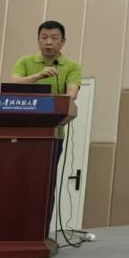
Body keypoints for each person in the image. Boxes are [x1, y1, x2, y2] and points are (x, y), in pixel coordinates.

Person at [7, 20, 83, 233]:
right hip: (20, 134)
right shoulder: (25, 62)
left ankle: (39, 232)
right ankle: (13, 229)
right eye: (44, 37)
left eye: (54, 38)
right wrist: (39, 75)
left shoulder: (72, 66)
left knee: (44, 183)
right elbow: (12, 84)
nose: (49, 42)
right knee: (16, 181)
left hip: (52, 136)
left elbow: (72, 94)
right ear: (38, 40)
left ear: (63, 42)